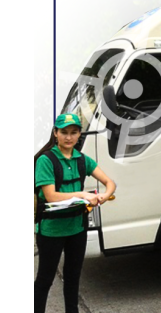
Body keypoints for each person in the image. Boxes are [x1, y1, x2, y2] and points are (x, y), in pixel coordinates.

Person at [34, 113, 116, 313]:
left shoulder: (82, 160)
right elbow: (51, 196)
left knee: (73, 278)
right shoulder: (46, 160)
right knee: (45, 280)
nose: (69, 137)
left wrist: (104, 196)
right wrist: (83, 194)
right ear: (55, 133)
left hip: (77, 229)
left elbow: (110, 182)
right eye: (64, 132)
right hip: (51, 231)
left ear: (79, 134)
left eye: (73, 132)